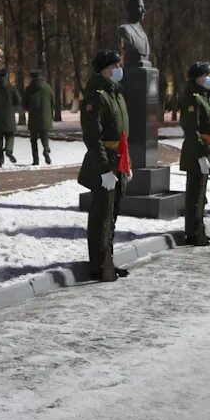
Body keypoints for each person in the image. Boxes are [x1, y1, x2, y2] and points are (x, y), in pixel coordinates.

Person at [79, 50, 131, 279]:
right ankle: (98, 264)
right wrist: (103, 169)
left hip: (117, 161)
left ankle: (107, 259)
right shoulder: (97, 95)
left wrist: (126, 163)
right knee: (101, 215)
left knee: (112, 215)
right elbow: (92, 136)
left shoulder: (116, 94)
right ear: (102, 70)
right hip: (105, 164)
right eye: (113, 66)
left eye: (118, 65)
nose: (117, 69)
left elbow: (122, 134)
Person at [180, 61, 210, 245]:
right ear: (197, 77)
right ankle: (193, 232)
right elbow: (191, 128)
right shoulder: (193, 97)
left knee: (201, 193)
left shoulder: (205, 96)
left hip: (205, 148)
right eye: (206, 75)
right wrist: (201, 154)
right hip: (197, 151)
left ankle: (199, 229)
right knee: (194, 193)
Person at [24, 69, 55, 165]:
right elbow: (52, 102)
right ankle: (46, 149)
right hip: (45, 117)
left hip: (33, 118)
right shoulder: (47, 87)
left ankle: (35, 160)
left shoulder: (29, 89)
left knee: (33, 140)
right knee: (44, 136)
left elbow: (25, 104)